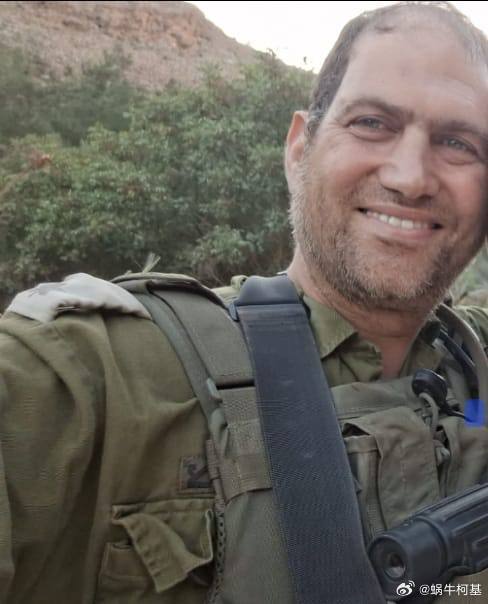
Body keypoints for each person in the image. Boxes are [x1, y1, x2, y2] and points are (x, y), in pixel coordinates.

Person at [0, 1, 487, 602]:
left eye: (458, 143)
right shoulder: (93, 371)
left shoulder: (472, 361)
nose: (410, 177)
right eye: (371, 123)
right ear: (299, 149)